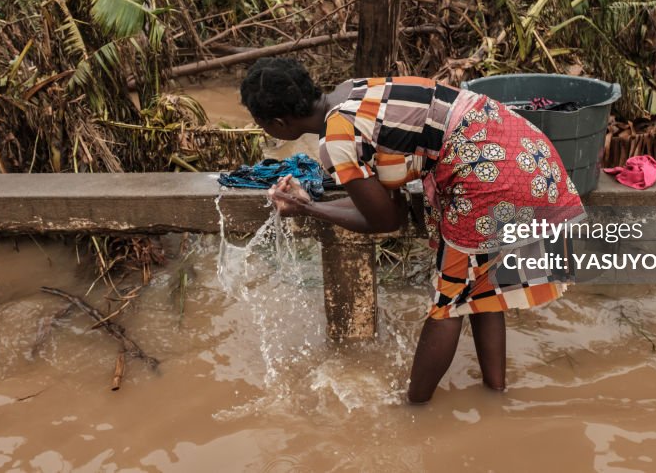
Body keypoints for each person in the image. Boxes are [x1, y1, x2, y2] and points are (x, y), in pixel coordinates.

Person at [240, 57, 584, 403]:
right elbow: (384, 203)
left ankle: (415, 409)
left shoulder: (336, 139)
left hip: (491, 176)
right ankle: (496, 394)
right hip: (526, 152)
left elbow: (387, 221)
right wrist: (311, 203)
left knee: (447, 306)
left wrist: (307, 208)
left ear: (279, 123)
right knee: (483, 291)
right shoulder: (355, 89)